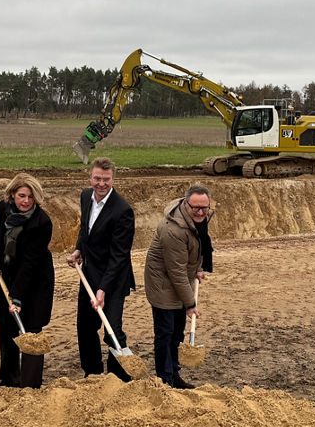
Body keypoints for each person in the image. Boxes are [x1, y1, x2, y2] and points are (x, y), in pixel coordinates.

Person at [67, 157, 136, 380]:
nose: (101, 184)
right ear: (90, 178)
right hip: (89, 274)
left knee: (112, 329)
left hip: (114, 280)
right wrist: (79, 250)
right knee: (85, 327)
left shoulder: (122, 210)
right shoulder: (86, 196)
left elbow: (119, 256)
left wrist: (103, 289)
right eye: (97, 178)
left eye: (106, 179)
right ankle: (93, 373)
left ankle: (119, 379)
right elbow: (86, 229)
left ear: (113, 179)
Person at [0, 172, 55, 388]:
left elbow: (30, 263)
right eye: (22, 196)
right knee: (6, 325)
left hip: (36, 280)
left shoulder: (42, 223)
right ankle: (9, 380)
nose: (26, 201)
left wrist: (16, 298)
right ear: (13, 195)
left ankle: (30, 385)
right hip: (9, 274)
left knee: (31, 330)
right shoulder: (2, 212)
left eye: (31, 197)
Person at [143, 184, 213, 388]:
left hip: (179, 280)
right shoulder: (172, 230)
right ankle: (164, 380)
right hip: (162, 284)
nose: (200, 212)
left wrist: (199, 267)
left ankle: (174, 375)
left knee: (177, 332)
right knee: (165, 334)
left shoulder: (197, 220)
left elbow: (198, 246)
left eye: (204, 208)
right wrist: (190, 304)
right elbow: (177, 272)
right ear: (185, 204)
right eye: (196, 208)